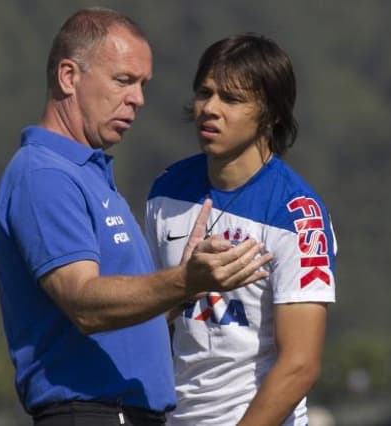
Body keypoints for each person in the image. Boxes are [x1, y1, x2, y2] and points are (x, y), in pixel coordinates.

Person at [0, 9, 273, 426]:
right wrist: (183, 280)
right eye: (123, 80)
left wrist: (182, 291)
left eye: (143, 85)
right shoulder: (45, 174)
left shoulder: (91, 175)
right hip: (91, 412)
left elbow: (124, 321)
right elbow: (84, 304)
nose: (138, 98)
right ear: (69, 77)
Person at [145, 33, 337, 426]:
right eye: (204, 92)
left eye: (231, 99)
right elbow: (148, 317)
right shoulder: (165, 190)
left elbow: (299, 364)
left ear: (272, 114)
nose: (209, 109)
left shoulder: (299, 214)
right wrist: (177, 287)